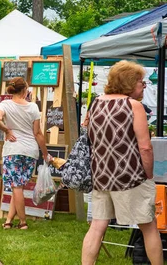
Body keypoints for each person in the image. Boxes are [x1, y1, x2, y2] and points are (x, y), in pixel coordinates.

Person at [82, 61, 161, 264]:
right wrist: (149, 174)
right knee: (149, 226)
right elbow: (145, 147)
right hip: (130, 175)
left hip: (101, 174)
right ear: (130, 82)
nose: (143, 85)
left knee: (97, 226)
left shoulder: (95, 103)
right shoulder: (134, 106)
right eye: (140, 81)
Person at [0, 77, 50, 230]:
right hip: (30, 151)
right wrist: (45, 153)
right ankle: (9, 221)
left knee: (16, 187)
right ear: (25, 90)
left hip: (13, 149)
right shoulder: (33, 107)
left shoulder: (5, 104)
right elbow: (38, 133)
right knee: (18, 187)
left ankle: (23, 222)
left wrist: (7, 130)